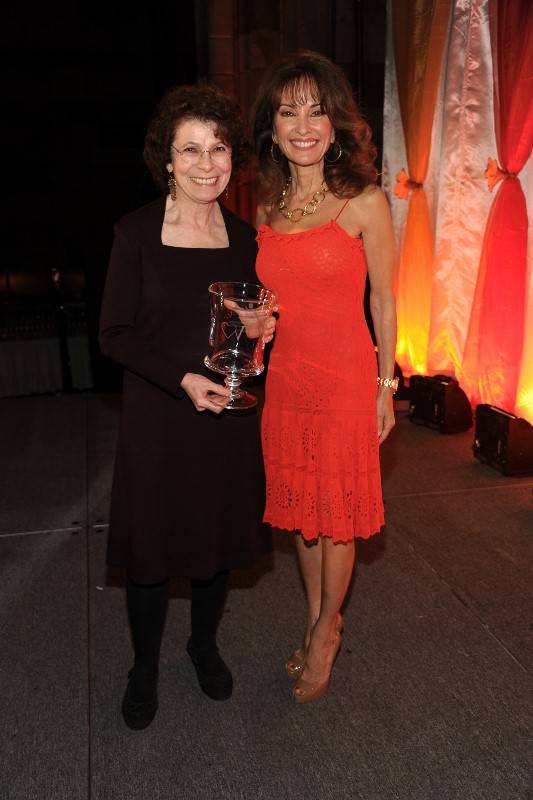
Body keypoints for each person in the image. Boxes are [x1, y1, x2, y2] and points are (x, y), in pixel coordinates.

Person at [99, 84, 275, 729]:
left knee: (214, 541)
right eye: (191, 150)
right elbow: (114, 334)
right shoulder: (137, 233)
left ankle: (204, 646)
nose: (207, 163)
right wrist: (181, 380)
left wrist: (261, 331)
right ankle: (144, 667)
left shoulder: (246, 239)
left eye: (218, 148)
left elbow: (248, 332)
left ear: (233, 158)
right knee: (151, 554)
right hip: (159, 418)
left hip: (224, 416)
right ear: (168, 160)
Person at [252, 52, 397, 703]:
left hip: (344, 382)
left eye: (316, 111)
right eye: (289, 112)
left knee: (335, 519)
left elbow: (384, 302)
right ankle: (315, 618)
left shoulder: (363, 202)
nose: (303, 125)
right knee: (301, 517)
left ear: (335, 122)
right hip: (286, 381)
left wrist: (385, 387)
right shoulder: (267, 206)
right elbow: (274, 298)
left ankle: (326, 632)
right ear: (274, 127)